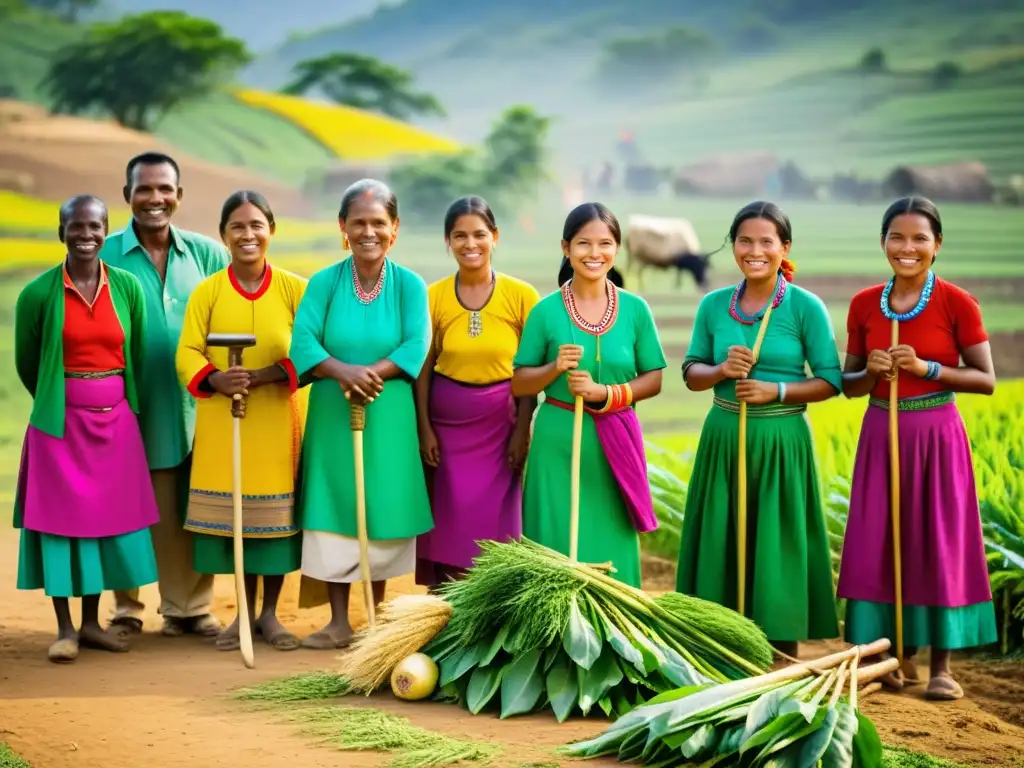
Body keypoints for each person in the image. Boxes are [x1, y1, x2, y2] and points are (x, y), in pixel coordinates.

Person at [837, 196, 997, 701]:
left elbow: (986, 380)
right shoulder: (865, 303)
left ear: (937, 245)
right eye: (897, 237)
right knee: (877, 538)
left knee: (938, 540)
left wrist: (927, 369)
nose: (907, 248)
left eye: (919, 239)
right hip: (880, 433)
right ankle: (887, 657)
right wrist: (871, 373)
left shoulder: (957, 302)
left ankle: (941, 668)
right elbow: (848, 384)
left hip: (935, 436)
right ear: (883, 241)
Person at [675, 201, 841, 657]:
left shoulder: (805, 307)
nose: (755, 251)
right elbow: (691, 373)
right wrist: (721, 369)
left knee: (776, 544)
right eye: (745, 241)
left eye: (767, 242)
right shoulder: (713, 306)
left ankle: (780, 651)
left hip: (781, 442)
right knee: (721, 539)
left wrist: (777, 391)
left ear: (784, 247)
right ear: (734, 247)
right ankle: (719, 646)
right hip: (725, 437)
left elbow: (830, 380)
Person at [13, 195, 159, 663]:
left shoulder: (128, 288)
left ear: (106, 229)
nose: (86, 235)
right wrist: (66, 398)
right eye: (76, 226)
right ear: (62, 232)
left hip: (115, 424)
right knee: (61, 526)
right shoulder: (37, 294)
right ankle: (64, 629)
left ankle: (93, 623)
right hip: (59, 429)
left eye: (95, 226)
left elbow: (134, 353)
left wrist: (112, 400)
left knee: (100, 526)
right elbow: (28, 363)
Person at [290, 178, 433, 649]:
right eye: (358, 222)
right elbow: (304, 342)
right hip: (334, 409)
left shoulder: (410, 285)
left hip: (388, 412)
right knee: (336, 502)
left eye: (378, 222)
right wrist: (341, 372)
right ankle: (337, 621)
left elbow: (416, 344)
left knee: (381, 506)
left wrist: (369, 372)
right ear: (342, 227)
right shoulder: (324, 283)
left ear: (394, 229)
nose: (367, 231)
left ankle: (374, 618)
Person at [176, 191, 311, 652]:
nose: (247, 234)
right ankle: (242, 616)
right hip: (223, 422)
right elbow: (187, 351)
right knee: (234, 521)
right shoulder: (208, 291)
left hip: (278, 419)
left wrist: (263, 376)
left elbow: (312, 350)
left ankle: (270, 616)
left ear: (271, 231)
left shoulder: (296, 289)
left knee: (272, 523)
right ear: (224, 235)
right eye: (237, 226)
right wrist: (216, 378)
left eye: (256, 225)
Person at [102, 151, 230, 639]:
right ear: (127, 195)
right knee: (124, 505)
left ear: (178, 195)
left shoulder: (206, 254)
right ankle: (126, 607)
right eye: (144, 189)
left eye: (164, 189)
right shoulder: (103, 253)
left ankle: (189, 607)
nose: (154, 198)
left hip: (196, 402)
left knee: (192, 505)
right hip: (127, 404)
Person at [510, 202, 665, 588]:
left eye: (605, 244)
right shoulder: (545, 312)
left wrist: (606, 393)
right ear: (566, 248)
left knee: (610, 536)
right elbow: (519, 383)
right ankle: (549, 635)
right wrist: (553, 369)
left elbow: (654, 379)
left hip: (614, 440)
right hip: (557, 440)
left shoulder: (635, 310)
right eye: (583, 244)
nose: (594, 254)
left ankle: (615, 631)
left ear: (617, 249)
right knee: (554, 538)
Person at [414, 196, 540, 589]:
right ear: (447, 241)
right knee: (449, 516)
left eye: (479, 234)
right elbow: (422, 369)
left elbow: (530, 369)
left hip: (501, 426)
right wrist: (424, 430)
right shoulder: (432, 296)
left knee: (498, 524)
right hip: (446, 427)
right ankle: (446, 611)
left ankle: (491, 604)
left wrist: (522, 429)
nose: (471, 244)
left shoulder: (521, 296)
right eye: (460, 236)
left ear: (495, 237)